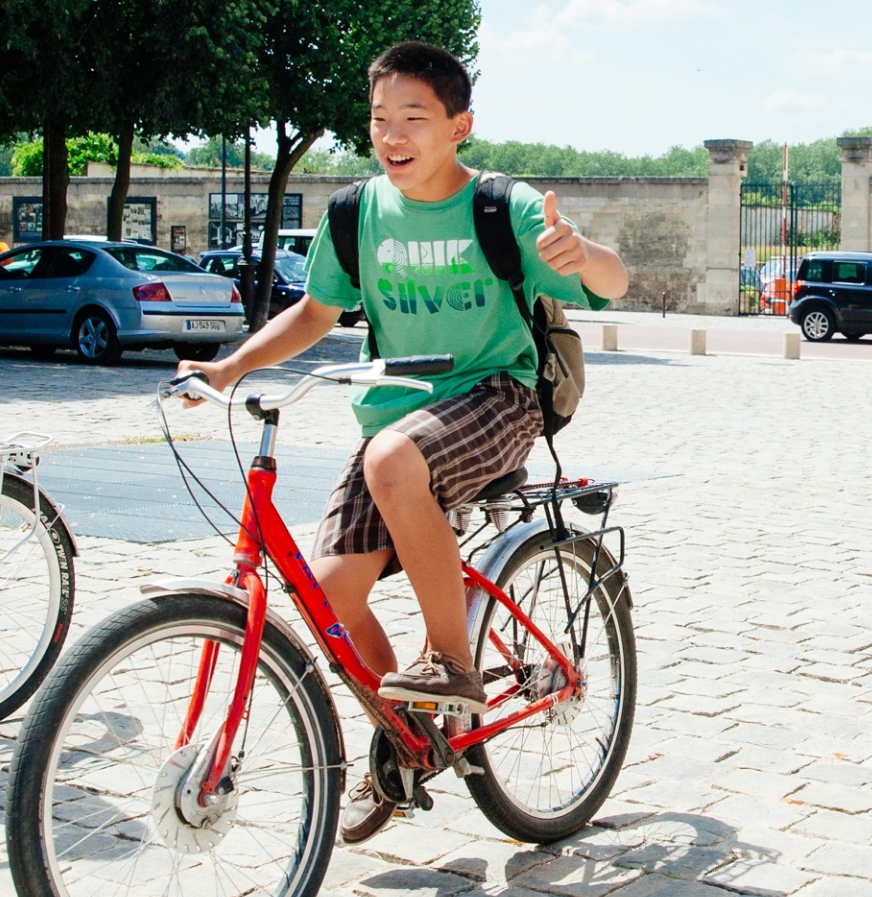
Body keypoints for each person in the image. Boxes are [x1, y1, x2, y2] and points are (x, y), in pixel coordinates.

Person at [177, 45, 627, 748]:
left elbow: (614, 280)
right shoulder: (357, 212)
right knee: (328, 600)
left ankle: (451, 660)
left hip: (499, 396)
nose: (391, 135)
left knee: (390, 458)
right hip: (400, 416)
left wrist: (582, 254)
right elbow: (316, 313)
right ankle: (406, 746)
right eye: (379, 118)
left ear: (459, 126)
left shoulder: (498, 206)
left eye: (413, 117)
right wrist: (229, 368)